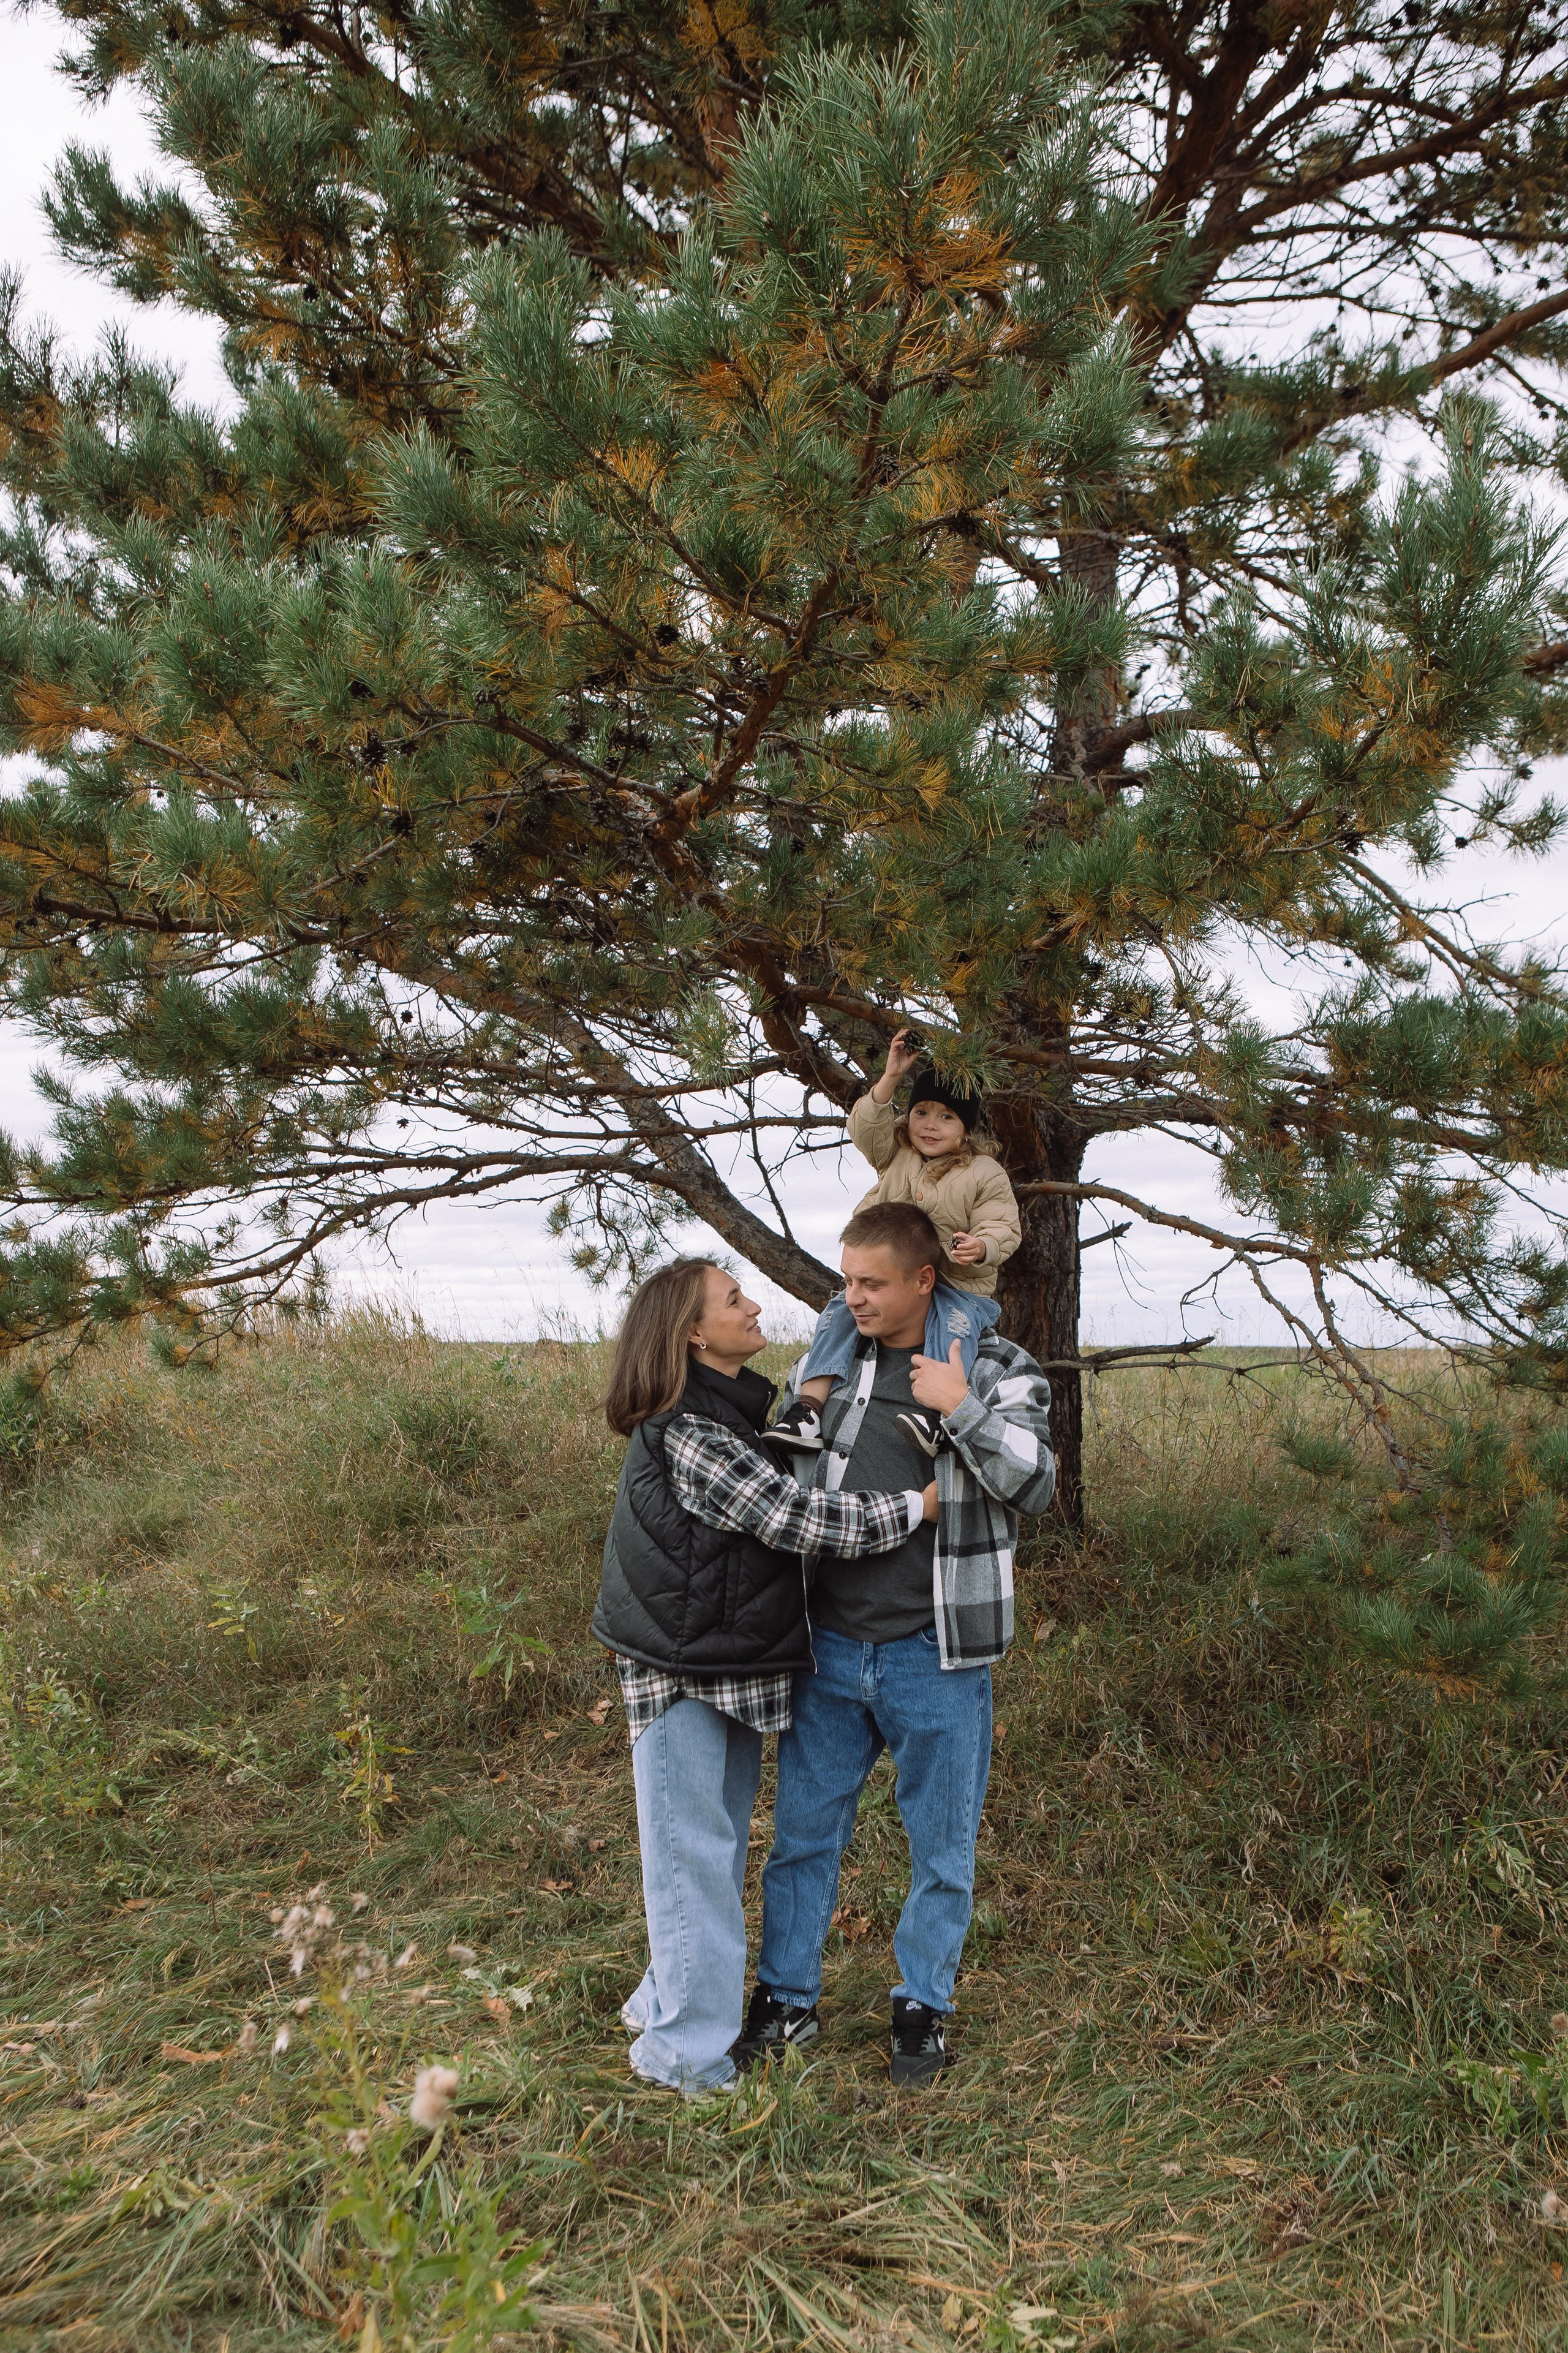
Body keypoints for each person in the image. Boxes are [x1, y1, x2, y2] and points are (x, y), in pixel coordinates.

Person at [592, 1256, 940, 2098]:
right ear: (692, 1334)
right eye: (734, 1299)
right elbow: (793, 1519)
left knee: (698, 1855)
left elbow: (847, 1306)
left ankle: (662, 2004)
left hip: (724, 1665)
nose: (753, 1308)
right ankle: (686, 2057)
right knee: (695, 1863)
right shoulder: (692, 1431)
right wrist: (917, 1508)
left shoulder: (734, 1408)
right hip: (683, 1673)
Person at [736, 1201, 1056, 2088]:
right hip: (830, 1647)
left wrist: (962, 1411)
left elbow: (1036, 1485)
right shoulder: (829, 1367)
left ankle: (923, 2008)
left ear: (925, 1279)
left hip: (937, 1650)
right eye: (847, 1280)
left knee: (941, 1849)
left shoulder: (994, 1367)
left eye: (872, 1282)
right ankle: (786, 2000)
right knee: (803, 1837)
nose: (853, 1298)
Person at [765, 1028, 1021, 1461]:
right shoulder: (896, 1152)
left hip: (959, 1286)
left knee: (953, 1330)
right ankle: (808, 1409)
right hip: (894, 1276)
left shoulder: (984, 1171)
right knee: (840, 1312)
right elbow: (865, 1128)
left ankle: (936, 1416)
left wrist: (981, 1246)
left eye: (946, 1117)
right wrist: (890, 1077)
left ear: (965, 1129)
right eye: (921, 1112)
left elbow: (1002, 1223)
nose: (930, 1125)